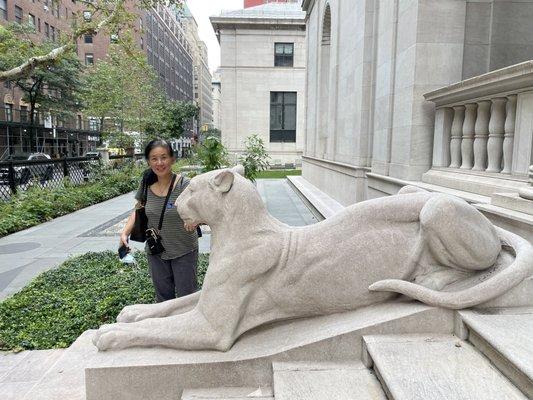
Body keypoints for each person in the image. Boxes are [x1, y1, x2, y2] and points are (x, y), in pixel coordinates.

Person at [120, 139, 199, 302]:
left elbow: (199, 211)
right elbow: (138, 210)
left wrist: (195, 221)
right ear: (148, 161)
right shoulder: (146, 183)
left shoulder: (185, 185)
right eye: (154, 158)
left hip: (183, 250)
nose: (159, 163)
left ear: (172, 159)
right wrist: (125, 232)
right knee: (163, 300)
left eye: (164, 157)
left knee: (187, 299)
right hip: (156, 250)